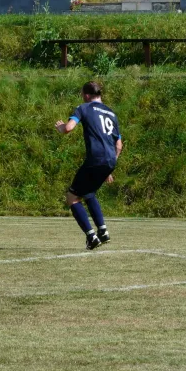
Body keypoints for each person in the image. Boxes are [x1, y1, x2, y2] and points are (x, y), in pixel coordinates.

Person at [55, 81, 123, 250]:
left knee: (72, 197)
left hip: (96, 158)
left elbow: (69, 128)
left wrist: (61, 127)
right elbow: (119, 145)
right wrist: (109, 167)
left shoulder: (84, 108)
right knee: (89, 192)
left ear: (86, 95)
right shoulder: (111, 113)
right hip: (110, 160)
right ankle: (103, 231)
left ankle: (91, 237)